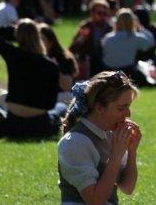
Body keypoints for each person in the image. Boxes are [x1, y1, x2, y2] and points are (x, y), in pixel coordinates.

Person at [57, 71, 141, 204]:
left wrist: (132, 151)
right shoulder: (75, 142)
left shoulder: (109, 133)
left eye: (128, 106)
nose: (128, 113)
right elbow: (95, 201)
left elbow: (127, 187)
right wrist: (116, 155)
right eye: (122, 108)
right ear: (99, 108)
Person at [0, 19, 70, 136]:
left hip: (13, 122)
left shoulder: (13, 55)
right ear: (38, 37)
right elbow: (50, 104)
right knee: (61, 107)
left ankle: (0, 115)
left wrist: (17, 32)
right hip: (40, 125)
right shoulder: (51, 65)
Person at [101, 8, 156, 75]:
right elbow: (151, 43)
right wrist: (140, 27)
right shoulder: (136, 37)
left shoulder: (108, 37)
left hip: (108, 70)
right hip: (128, 70)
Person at [70, 0, 114, 77]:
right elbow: (72, 49)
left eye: (105, 13)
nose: (102, 16)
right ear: (92, 13)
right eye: (99, 13)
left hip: (105, 63)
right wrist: (82, 39)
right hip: (88, 63)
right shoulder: (86, 27)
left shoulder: (110, 28)